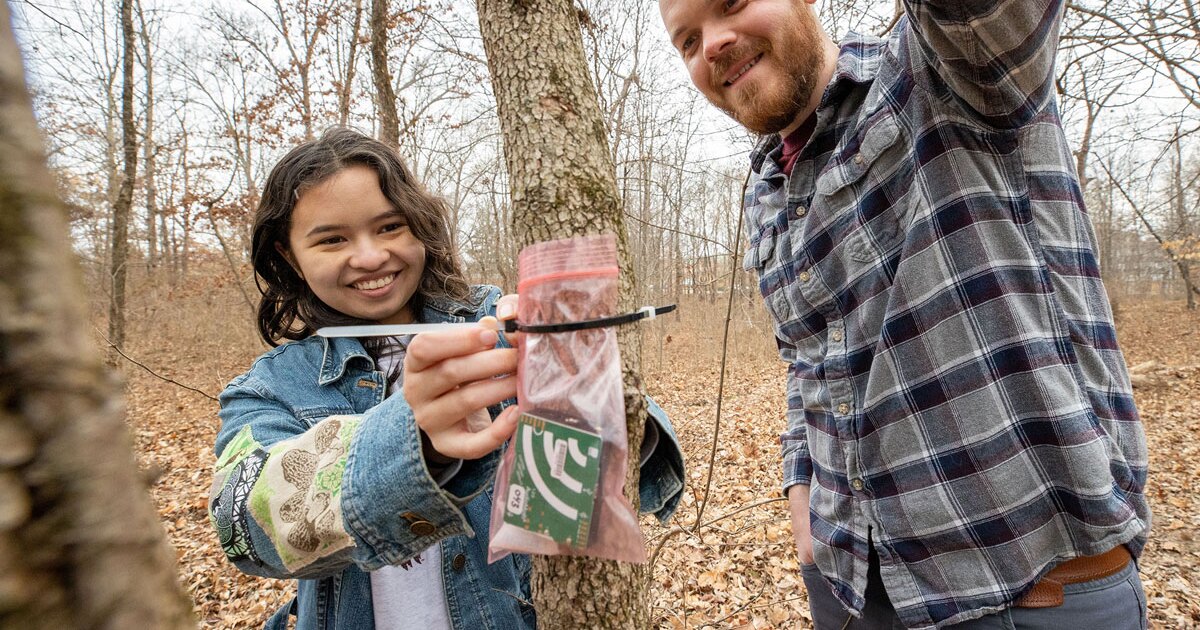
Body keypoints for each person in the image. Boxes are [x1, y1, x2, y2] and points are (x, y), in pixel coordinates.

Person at [659, 1, 1150, 628]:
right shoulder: (767, 190)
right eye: (688, 41)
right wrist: (801, 490)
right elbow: (808, 357)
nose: (715, 44)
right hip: (849, 589)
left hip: (1025, 589)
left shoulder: (946, 68)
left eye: (732, 4)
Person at [207, 127, 684, 630]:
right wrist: (417, 441)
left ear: (420, 227)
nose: (370, 257)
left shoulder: (491, 329)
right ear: (288, 255)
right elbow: (243, 528)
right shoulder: (271, 388)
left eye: (390, 227)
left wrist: (581, 381)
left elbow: (626, 482)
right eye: (332, 239)